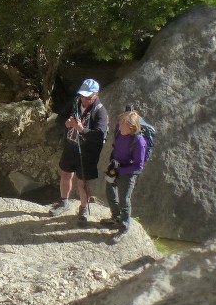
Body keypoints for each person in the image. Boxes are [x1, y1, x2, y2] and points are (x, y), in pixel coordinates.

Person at [53, 78, 108, 222]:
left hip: (88, 152)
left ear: (96, 95)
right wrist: (66, 123)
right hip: (71, 146)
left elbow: (100, 134)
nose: (84, 99)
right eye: (82, 95)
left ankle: (84, 209)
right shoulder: (75, 102)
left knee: (82, 182)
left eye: (88, 97)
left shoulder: (100, 111)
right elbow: (59, 118)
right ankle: (63, 201)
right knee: (65, 174)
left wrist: (82, 129)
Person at [105, 109, 148, 243]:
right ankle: (115, 217)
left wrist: (121, 171)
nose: (119, 125)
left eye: (123, 123)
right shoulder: (120, 131)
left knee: (124, 200)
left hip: (127, 174)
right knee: (109, 192)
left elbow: (138, 166)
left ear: (132, 127)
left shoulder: (139, 142)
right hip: (115, 167)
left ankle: (123, 227)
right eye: (120, 122)